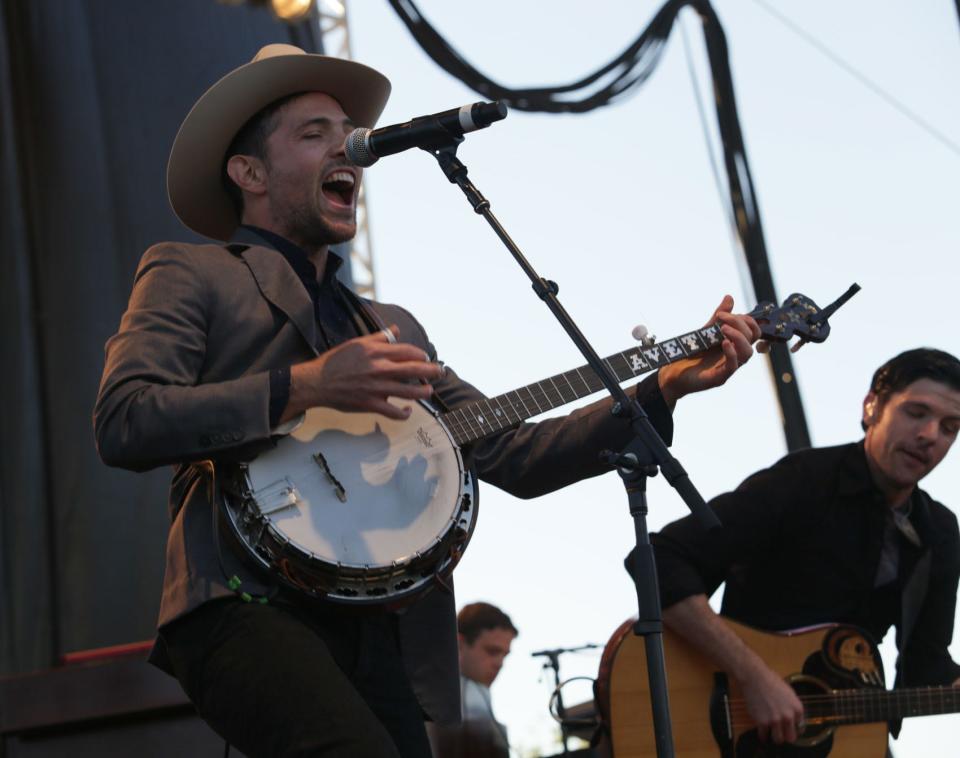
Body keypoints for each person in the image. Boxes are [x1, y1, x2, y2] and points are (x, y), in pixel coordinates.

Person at [94, 44, 760, 758]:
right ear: (248, 172)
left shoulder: (391, 326)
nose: (348, 146)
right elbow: (126, 419)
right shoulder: (190, 272)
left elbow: (512, 453)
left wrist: (661, 388)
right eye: (315, 132)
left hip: (382, 625)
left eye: (349, 131)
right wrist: (308, 387)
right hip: (239, 603)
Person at [649, 348, 960, 748]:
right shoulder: (804, 481)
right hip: (735, 738)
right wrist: (753, 676)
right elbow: (662, 559)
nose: (930, 435)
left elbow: (925, 667)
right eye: (916, 413)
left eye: (950, 427)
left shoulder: (939, 530)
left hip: (848, 741)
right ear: (872, 408)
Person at [428, 603, 518, 757]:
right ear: (459, 644)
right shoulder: (430, 691)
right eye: (492, 651)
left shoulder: (478, 691)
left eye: (504, 655)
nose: (499, 663)